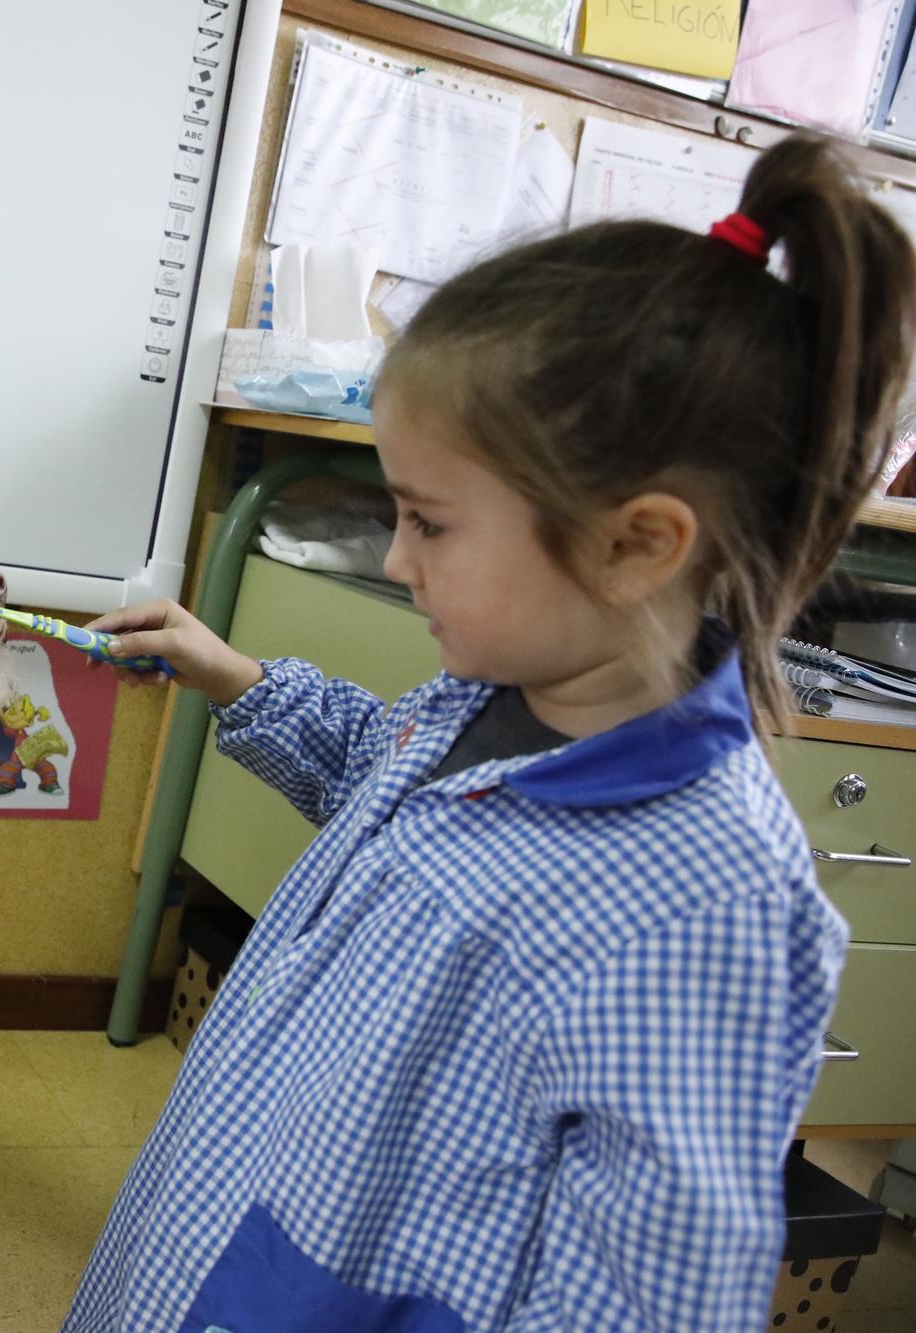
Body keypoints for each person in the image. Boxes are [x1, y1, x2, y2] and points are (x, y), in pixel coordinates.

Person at [69, 135, 915, 1331]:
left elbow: (644, 1298)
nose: (398, 559)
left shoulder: (705, 906)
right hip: (204, 1232)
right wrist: (232, 675)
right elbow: (387, 786)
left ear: (635, 544)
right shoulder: (491, 694)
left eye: (425, 521)